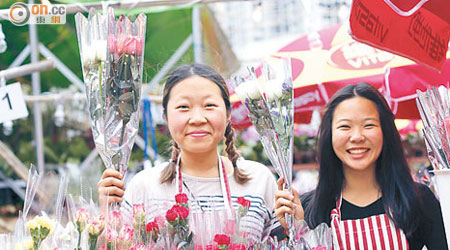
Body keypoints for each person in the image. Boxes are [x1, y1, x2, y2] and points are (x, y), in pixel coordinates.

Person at [97, 63, 278, 242]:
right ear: (166, 117)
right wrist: (107, 215)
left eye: (209, 105)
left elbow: (286, 242)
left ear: (228, 113)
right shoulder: (143, 188)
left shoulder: (260, 181)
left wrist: (295, 221)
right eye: (184, 107)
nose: (197, 119)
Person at [274, 83, 447, 249]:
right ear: (330, 136)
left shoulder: (418, 200)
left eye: (369, 125)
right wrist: (297, 231)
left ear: (385, 132)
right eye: (345, 126)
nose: (357, 136)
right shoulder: (308, 211)